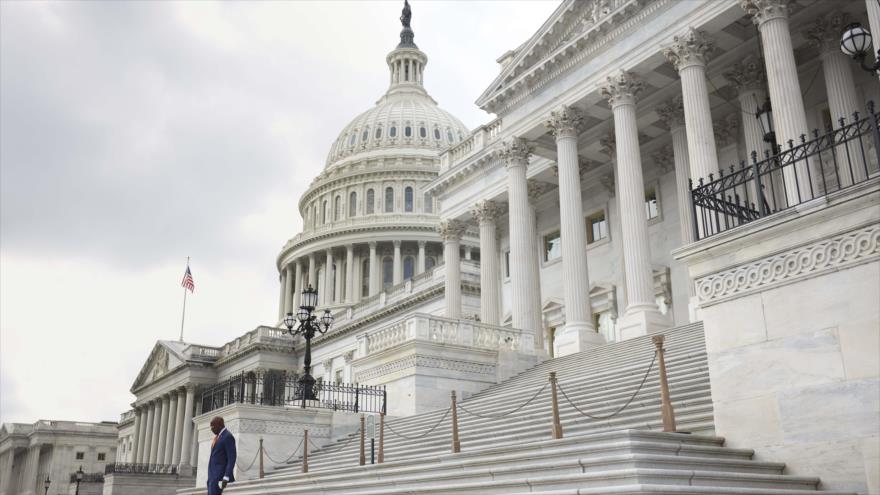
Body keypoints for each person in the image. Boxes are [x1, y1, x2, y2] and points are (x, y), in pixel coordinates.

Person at [207, 416, 236, 495]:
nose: (211, 429)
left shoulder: (228, 437)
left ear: (220, 425)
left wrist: (226, 477)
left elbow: (232, 459)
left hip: (220, 478)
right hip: (212, 478)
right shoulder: (217, 437)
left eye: (212, 426)